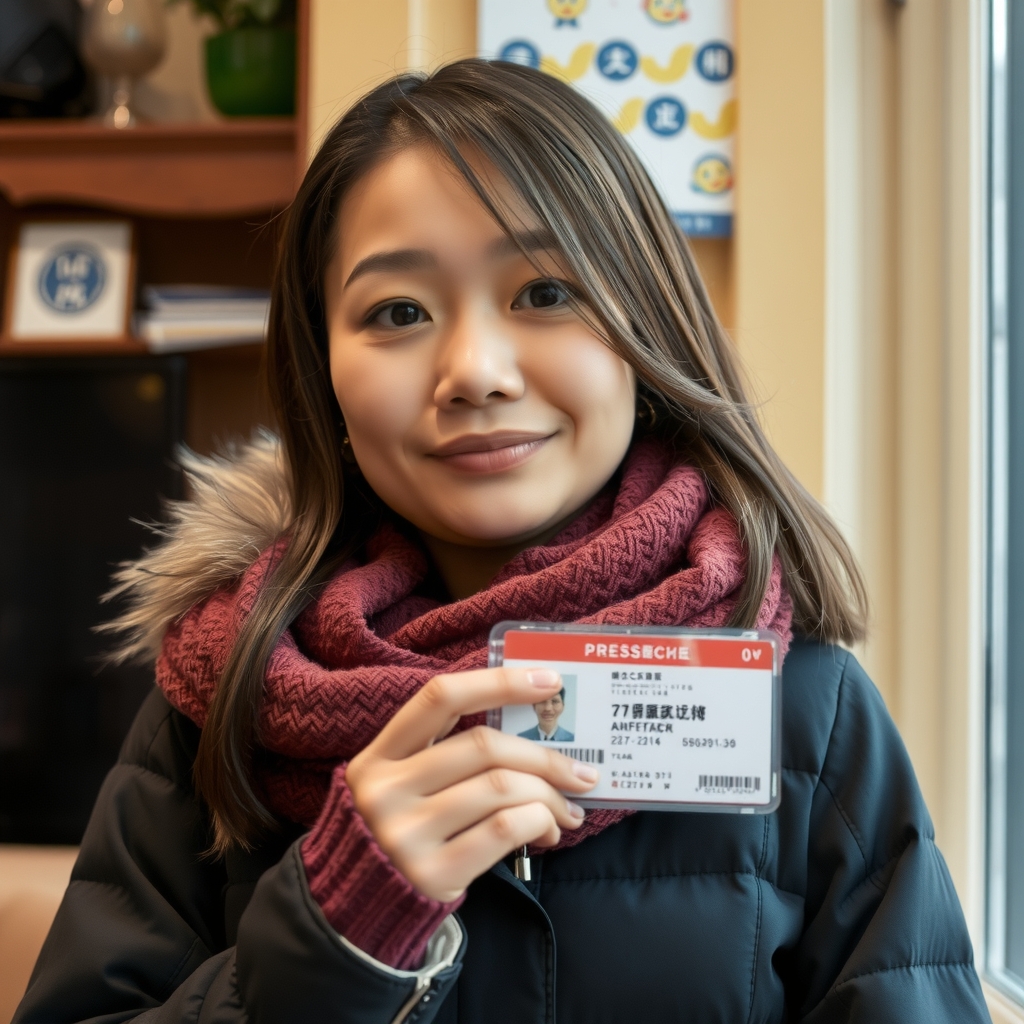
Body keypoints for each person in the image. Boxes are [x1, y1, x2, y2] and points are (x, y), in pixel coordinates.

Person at [15, 60, 991, 1024]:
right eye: (398, 312)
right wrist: (329, 937)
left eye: (544, 293)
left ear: (641, 331)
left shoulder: (808, 713)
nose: (474, 369)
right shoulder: (222, 697)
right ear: (325, 376)